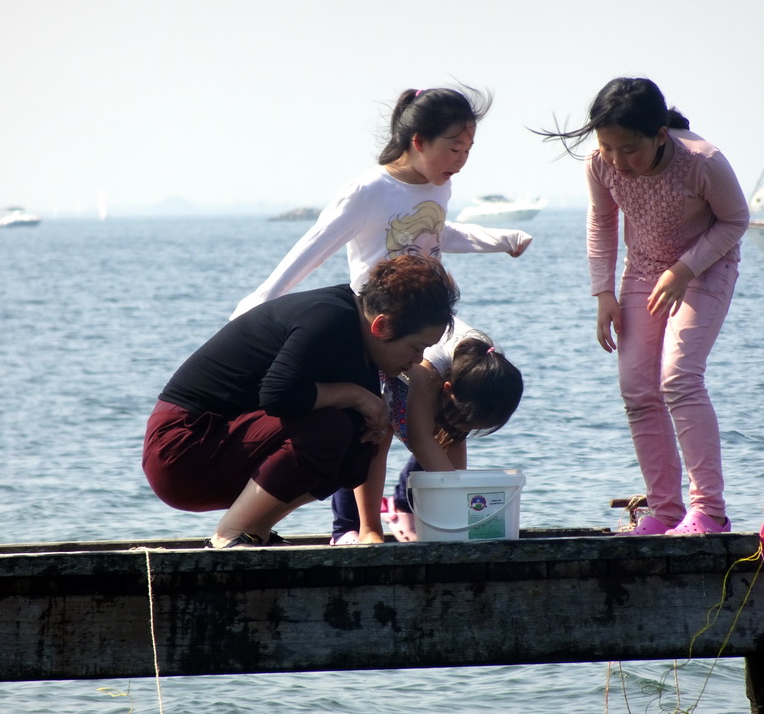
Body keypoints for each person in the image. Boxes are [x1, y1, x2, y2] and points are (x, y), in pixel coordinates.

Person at [537, 77, 749, 535]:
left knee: (679, 377)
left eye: (629, 149)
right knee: (637, 390)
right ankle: (665, 511)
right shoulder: (601, 165)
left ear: (659, 135)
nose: (618, 161)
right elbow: (601, 222)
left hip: (705, 268)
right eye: (607, 147)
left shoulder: (702, 161)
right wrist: (603, 294)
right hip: (643, 270)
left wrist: (684, 271)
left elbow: (735, 220)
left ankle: (709, 511)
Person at [142, 256, 459, 547]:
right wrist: (357, 395)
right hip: (180, 448)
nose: (418, 360)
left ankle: (256, 531)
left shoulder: (361, 341)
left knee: (356, 442)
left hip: (216, 450)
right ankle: (230, 535)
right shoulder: (329, 319)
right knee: (329, 427)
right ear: (381, 325)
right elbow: (279, 395)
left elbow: (357, 457)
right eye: (416, 348)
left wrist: (370, 526)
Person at [230, 86, 532, 319]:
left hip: (424, 315)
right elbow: (314, 248)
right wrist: (257, 303)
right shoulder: (369, 190)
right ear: (420, 142)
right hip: (377, 321)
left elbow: (436, 234)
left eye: (468, 151)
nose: (461, 161)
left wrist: (503, 240)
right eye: (455, 149)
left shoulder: (440, 186)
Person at [330, 318, 523, 543]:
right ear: (447, 390)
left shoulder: (486, 373)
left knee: (448, 440)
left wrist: (458, 518)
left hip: (428, 372)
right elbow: (419, 437)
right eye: (465, 421)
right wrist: (457, 492)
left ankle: (410, 508)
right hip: (385, 357)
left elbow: (452, 451)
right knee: (374, 435)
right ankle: (358, 528)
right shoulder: (430, 371)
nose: (466, 430)